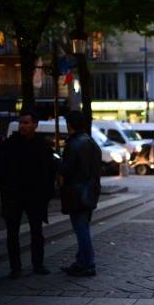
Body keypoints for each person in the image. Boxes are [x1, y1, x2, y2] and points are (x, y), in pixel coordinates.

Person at [0, 109, 55, 279]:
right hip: (13, 195)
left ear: (35, 125)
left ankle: (38, 263)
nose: (23, 126)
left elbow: (48, 170)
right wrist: (4, 189)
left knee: (36, 231)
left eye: (27, 122)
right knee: (12, 232)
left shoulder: (42, 145)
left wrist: (46, 193)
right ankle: (16, 267)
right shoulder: (9, 145)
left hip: (34, 195)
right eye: (21, 122)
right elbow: (0, 170)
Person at [59, 111, 102, 277]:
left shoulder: (74, 144)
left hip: (77, 192)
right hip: (90, 191)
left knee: (81, 229)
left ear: (69, 124)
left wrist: (57, 162)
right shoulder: (91, 142)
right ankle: (81, 261)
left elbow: (67, 169)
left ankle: (87, 263)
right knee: (83, 227)